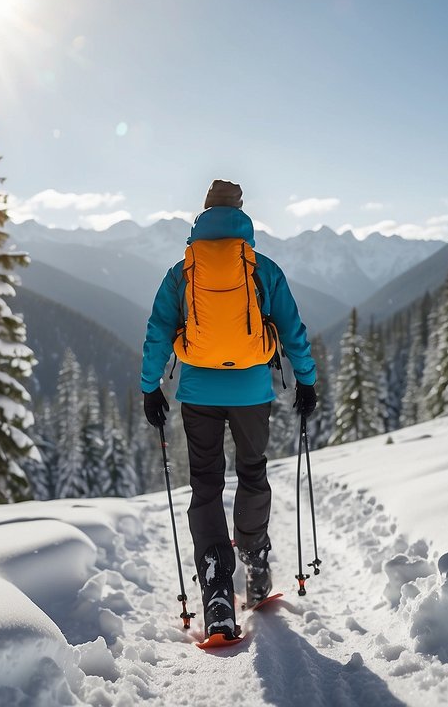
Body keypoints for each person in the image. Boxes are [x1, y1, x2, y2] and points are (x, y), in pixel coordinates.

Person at [141, 179, 318, 640]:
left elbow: (159, 330)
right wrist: (307, 379)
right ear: (242, 217)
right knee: (253, 471)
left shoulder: (182, 271)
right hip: (252, 391)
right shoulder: (262, 268)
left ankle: (217, 591)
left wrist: (150, 387)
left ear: (202, 216)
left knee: (205, 481)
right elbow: (293, 327)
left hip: (198, 390)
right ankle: (256, 568)